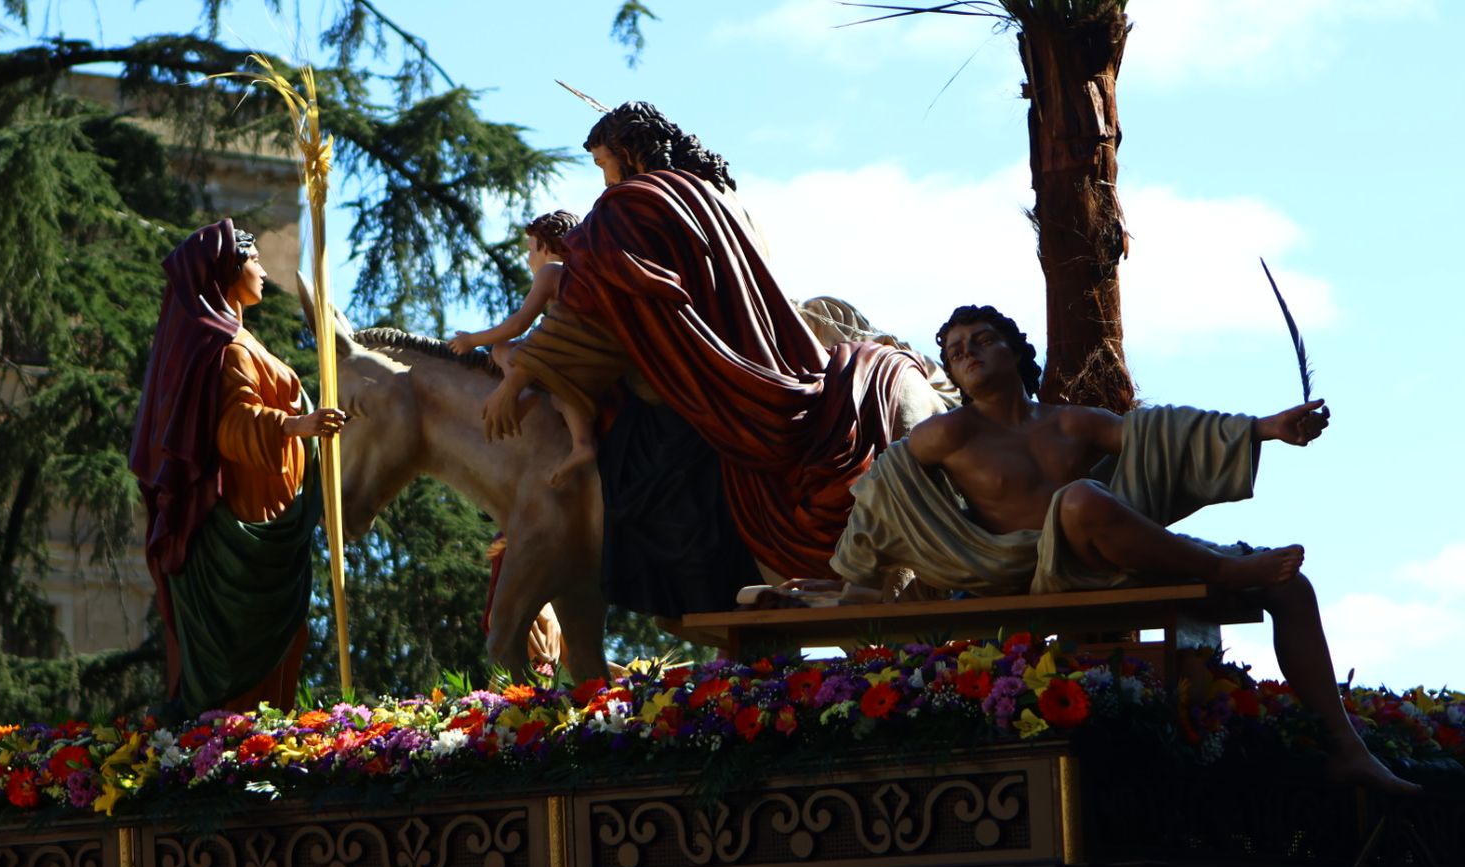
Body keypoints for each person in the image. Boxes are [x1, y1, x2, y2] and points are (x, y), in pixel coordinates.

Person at [831, 304, 1418, 794]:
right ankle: (1227, 570)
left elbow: (1162, 433)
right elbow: (882, 491)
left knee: (1290, 586)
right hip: (1028, 575)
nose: (967, 352)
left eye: (983, 340)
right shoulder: (948, 434)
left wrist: (1269, 428)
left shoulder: (1070, 424)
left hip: (1107, 562)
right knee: (1082, 498)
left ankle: (1345, 746)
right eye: (956, 349)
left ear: (1015, 352)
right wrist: (858, 579)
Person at [484, 101, 929, 595]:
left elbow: (591, 311)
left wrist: (518, 378)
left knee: (637, 481)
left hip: (713, 390)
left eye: (603, 163)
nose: (605, 180)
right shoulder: (724, 197)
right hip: (780, 367)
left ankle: (707, 599)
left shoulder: (631, 205)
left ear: (629, 151)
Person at [129, 220, 346, 719]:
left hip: (267, 519)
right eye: (254, 261)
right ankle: (235, 756)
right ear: (228, 271)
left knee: (285, 642)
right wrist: (297, 425)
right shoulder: (228, 350)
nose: (264, 271)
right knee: (254, 654)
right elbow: (228, 427)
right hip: (240, 530)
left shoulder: (239, 342)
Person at [454, 210, 600, 488]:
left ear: (546, 247)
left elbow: (518, 323)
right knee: (559, 386)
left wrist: (472, 340)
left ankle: (522, 388)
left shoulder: (551, 273)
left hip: (566, 355)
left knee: (502, 348)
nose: (529, 258)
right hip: (585, 355)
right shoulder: (580, 275)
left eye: (531, 249)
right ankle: (581, 443)